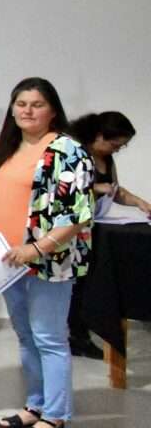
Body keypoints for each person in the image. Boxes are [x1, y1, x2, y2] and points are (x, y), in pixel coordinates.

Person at [0, 78, 94, 428]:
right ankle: (35, 405)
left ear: (53, 111)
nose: (27, 110)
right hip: (6, 262)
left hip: (48, 261)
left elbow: (78, 214)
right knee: (26, 337)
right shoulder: (8, 148)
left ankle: (56, 415)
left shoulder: (67, 150)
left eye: (37, 104)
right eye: (21, 103)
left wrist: (36, 248)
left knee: (49, 338)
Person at [68, 111, 144, 358]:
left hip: (95, 226)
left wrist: (140, 203)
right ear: (99, 136)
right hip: (73, 229)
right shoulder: (76, 154)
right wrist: (94, 188)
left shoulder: (107, 159)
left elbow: (114, 190)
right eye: (115, 145)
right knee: (76, 285)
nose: (117, 150)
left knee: (89, 281)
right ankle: (76, 336)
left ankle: (83, 332)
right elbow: (65, 191)